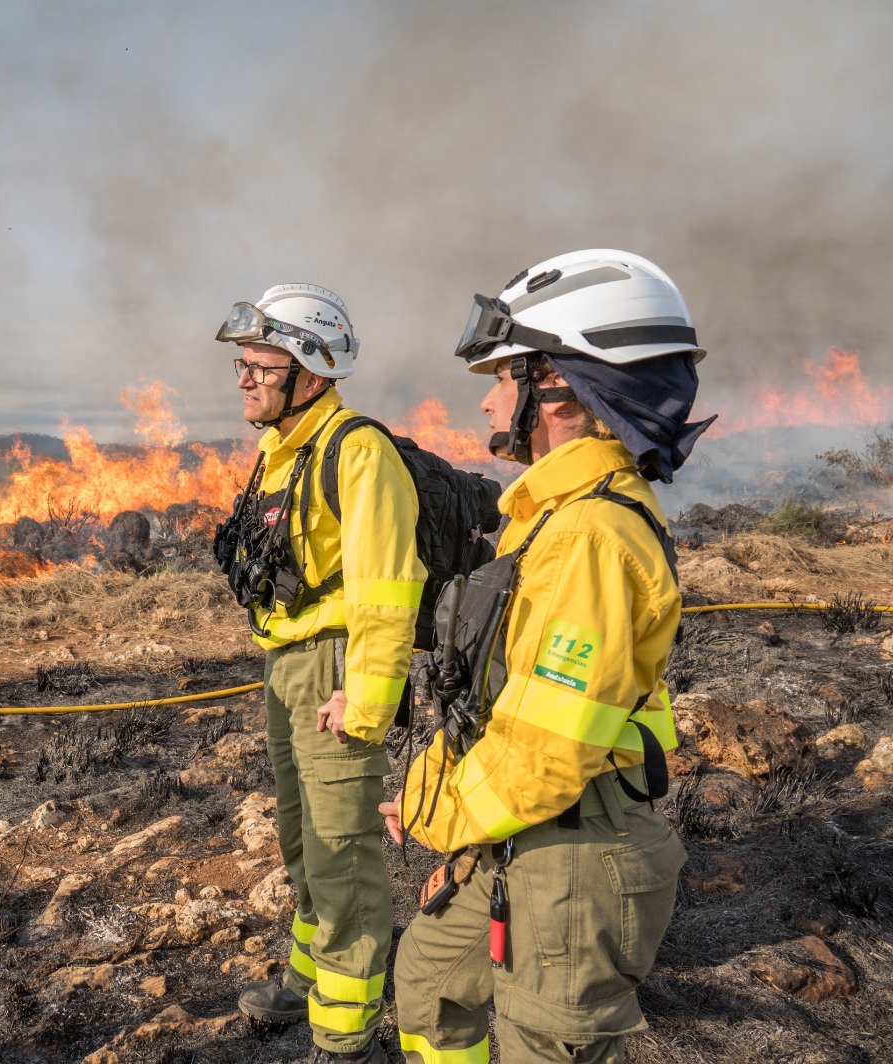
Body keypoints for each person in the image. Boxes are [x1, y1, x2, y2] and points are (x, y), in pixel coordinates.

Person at [382, 250, 710, 1063]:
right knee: (429, 977)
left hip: (572, 857)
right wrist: (446, 802)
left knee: (542, 1043)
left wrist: (440, 816)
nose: (490, 398)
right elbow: (504, 699)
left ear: (559, 388)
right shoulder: (551, 516)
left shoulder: (590, 538)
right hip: (520, 828)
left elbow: (549, 746)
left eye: (502, 376)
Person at [216, 285, 426, 1063]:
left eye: (260, 365)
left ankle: (345, 1034)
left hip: (336, 670)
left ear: (311, 369)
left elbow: (387, 590)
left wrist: (367, 702)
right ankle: (309, 978)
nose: (244, 379)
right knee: (303, 840)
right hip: (288, 664)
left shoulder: (358, 451)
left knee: (342, 851)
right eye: (243, 364)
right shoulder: (282, 452)